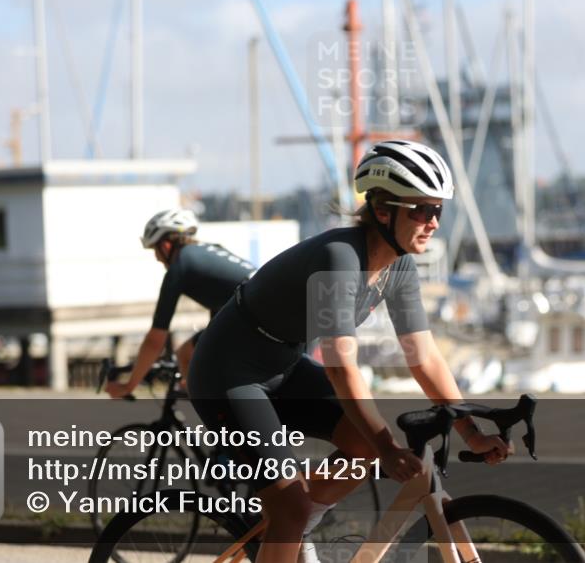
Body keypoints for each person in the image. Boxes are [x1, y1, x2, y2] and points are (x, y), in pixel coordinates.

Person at [187, 140, 512, 563]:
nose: (432, 222)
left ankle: (294, 530)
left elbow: (425, 358)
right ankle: (291, 515)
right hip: (227, 374)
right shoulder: (338, 258)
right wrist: (387, 448)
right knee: (297, 502)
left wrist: (470, 431)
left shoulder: (400, 267)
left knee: (357, 449)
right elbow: (341, 368)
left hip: (281, 364)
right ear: (382, 210)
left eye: (437, 210)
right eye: (420, 209)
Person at [106, 208, 255, 398]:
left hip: (251, 315)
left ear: (166, 245)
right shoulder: (212, 250)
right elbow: (220, 312)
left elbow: (155, 340)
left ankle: (223, 422)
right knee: (206, 364)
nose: (156, 257)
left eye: (154, 249)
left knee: (185, 354)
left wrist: (128, 386)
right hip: (260, 310)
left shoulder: (181, 265)